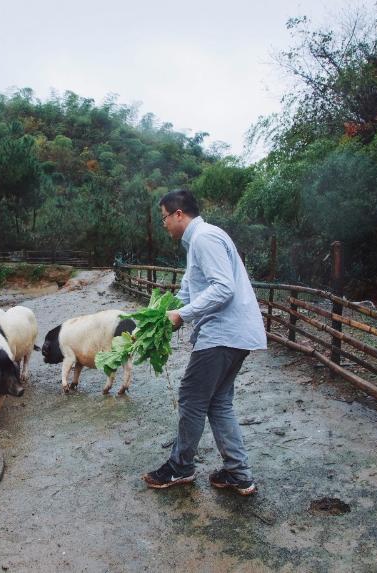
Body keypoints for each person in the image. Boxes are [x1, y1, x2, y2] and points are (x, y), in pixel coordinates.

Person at [142, 189, 266, 496]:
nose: (164, 224)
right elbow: (188, 293)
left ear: (178, 214)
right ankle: (238, 474)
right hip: (235, 333)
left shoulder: (204, 238)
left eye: (164, 218)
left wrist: (182, 316)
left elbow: (223, 288)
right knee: (218, 402)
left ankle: (180, 467)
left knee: (191, 398)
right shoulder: (198, 242)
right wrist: (157, 317)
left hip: (222, 333)